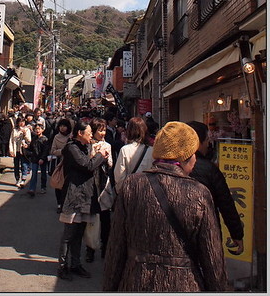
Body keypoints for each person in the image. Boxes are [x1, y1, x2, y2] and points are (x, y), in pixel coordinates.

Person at [102, 122, 228, 291]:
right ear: (186, 156)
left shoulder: (132, 185)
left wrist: (109, 288)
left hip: (136, 282)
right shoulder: (199, 193)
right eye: (193, 153)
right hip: (184, 284)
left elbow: (115, 248)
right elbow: (212, 258)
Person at [57, 121, 107, 281]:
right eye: (89, 132)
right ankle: (63, 266)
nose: (92, 135)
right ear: (80, 133)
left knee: (79, 233)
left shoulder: (85, 147)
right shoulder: (72, 148)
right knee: (69, 234)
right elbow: (87, 165)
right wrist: (101, 155)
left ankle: (75, 264)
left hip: (86, 196)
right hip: (73, 196)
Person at [187, 120, 244, 256]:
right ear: (198, 143)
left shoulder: (171, 166)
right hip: (207, 231)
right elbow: (226, 203)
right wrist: (236, 234)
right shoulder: (210, 169)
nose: (208, 144)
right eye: (206, 140)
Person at [86, 117, 113, 262]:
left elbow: (110, 164)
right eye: (100, 130)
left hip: (103, 187)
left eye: (104, 130)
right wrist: (95, 154)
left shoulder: (107, 145)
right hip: (91, 186)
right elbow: (87, 164)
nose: (102, 133)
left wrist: (105, 157)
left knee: (105, 220)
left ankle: (105, 247)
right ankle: (90, 249)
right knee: (91, 220)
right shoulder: (88, 145)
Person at [113, 117, 153, 193]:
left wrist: (121, 192)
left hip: (130, 192)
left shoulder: (125, 150)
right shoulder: (152, 151)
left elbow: (119, 175)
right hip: (147, 191)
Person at [50, 118, 73, 213]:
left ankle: (66, 203)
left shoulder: (71, 137)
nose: (62, 128)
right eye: (61, 126)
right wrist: (62, 151)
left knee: (68, 184)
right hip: (60, 163)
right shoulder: (56, 137)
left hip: (70, 163)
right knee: (58, 184)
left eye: (64, 126)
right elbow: (52, 151)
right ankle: (59, 203)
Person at [25, 123, 50, 196]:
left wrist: (42, 158)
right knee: (34, 174)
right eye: (36, 129)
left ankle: (43, 187)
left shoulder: (45, 139)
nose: (37, 130)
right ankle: (32, 188)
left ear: (42, 130)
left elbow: (46, 150)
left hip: (42, 159)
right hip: (35, 159)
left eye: (39, 129)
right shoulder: (34, 138)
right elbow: (31, 148)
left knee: (43, 174)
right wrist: (27, 147)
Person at [9, 116, 31, 188]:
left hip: (23, 151)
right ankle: (17, 179)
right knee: (16, 165)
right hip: (16, 150)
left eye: (23, 122)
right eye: (20, 122)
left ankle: (23, 179)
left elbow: (29, 141)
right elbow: (11, 140)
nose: (21, 123)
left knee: (24, 165)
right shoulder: (14, 130)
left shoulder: (27, 130)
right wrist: (11, 150)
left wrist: (24, 134)